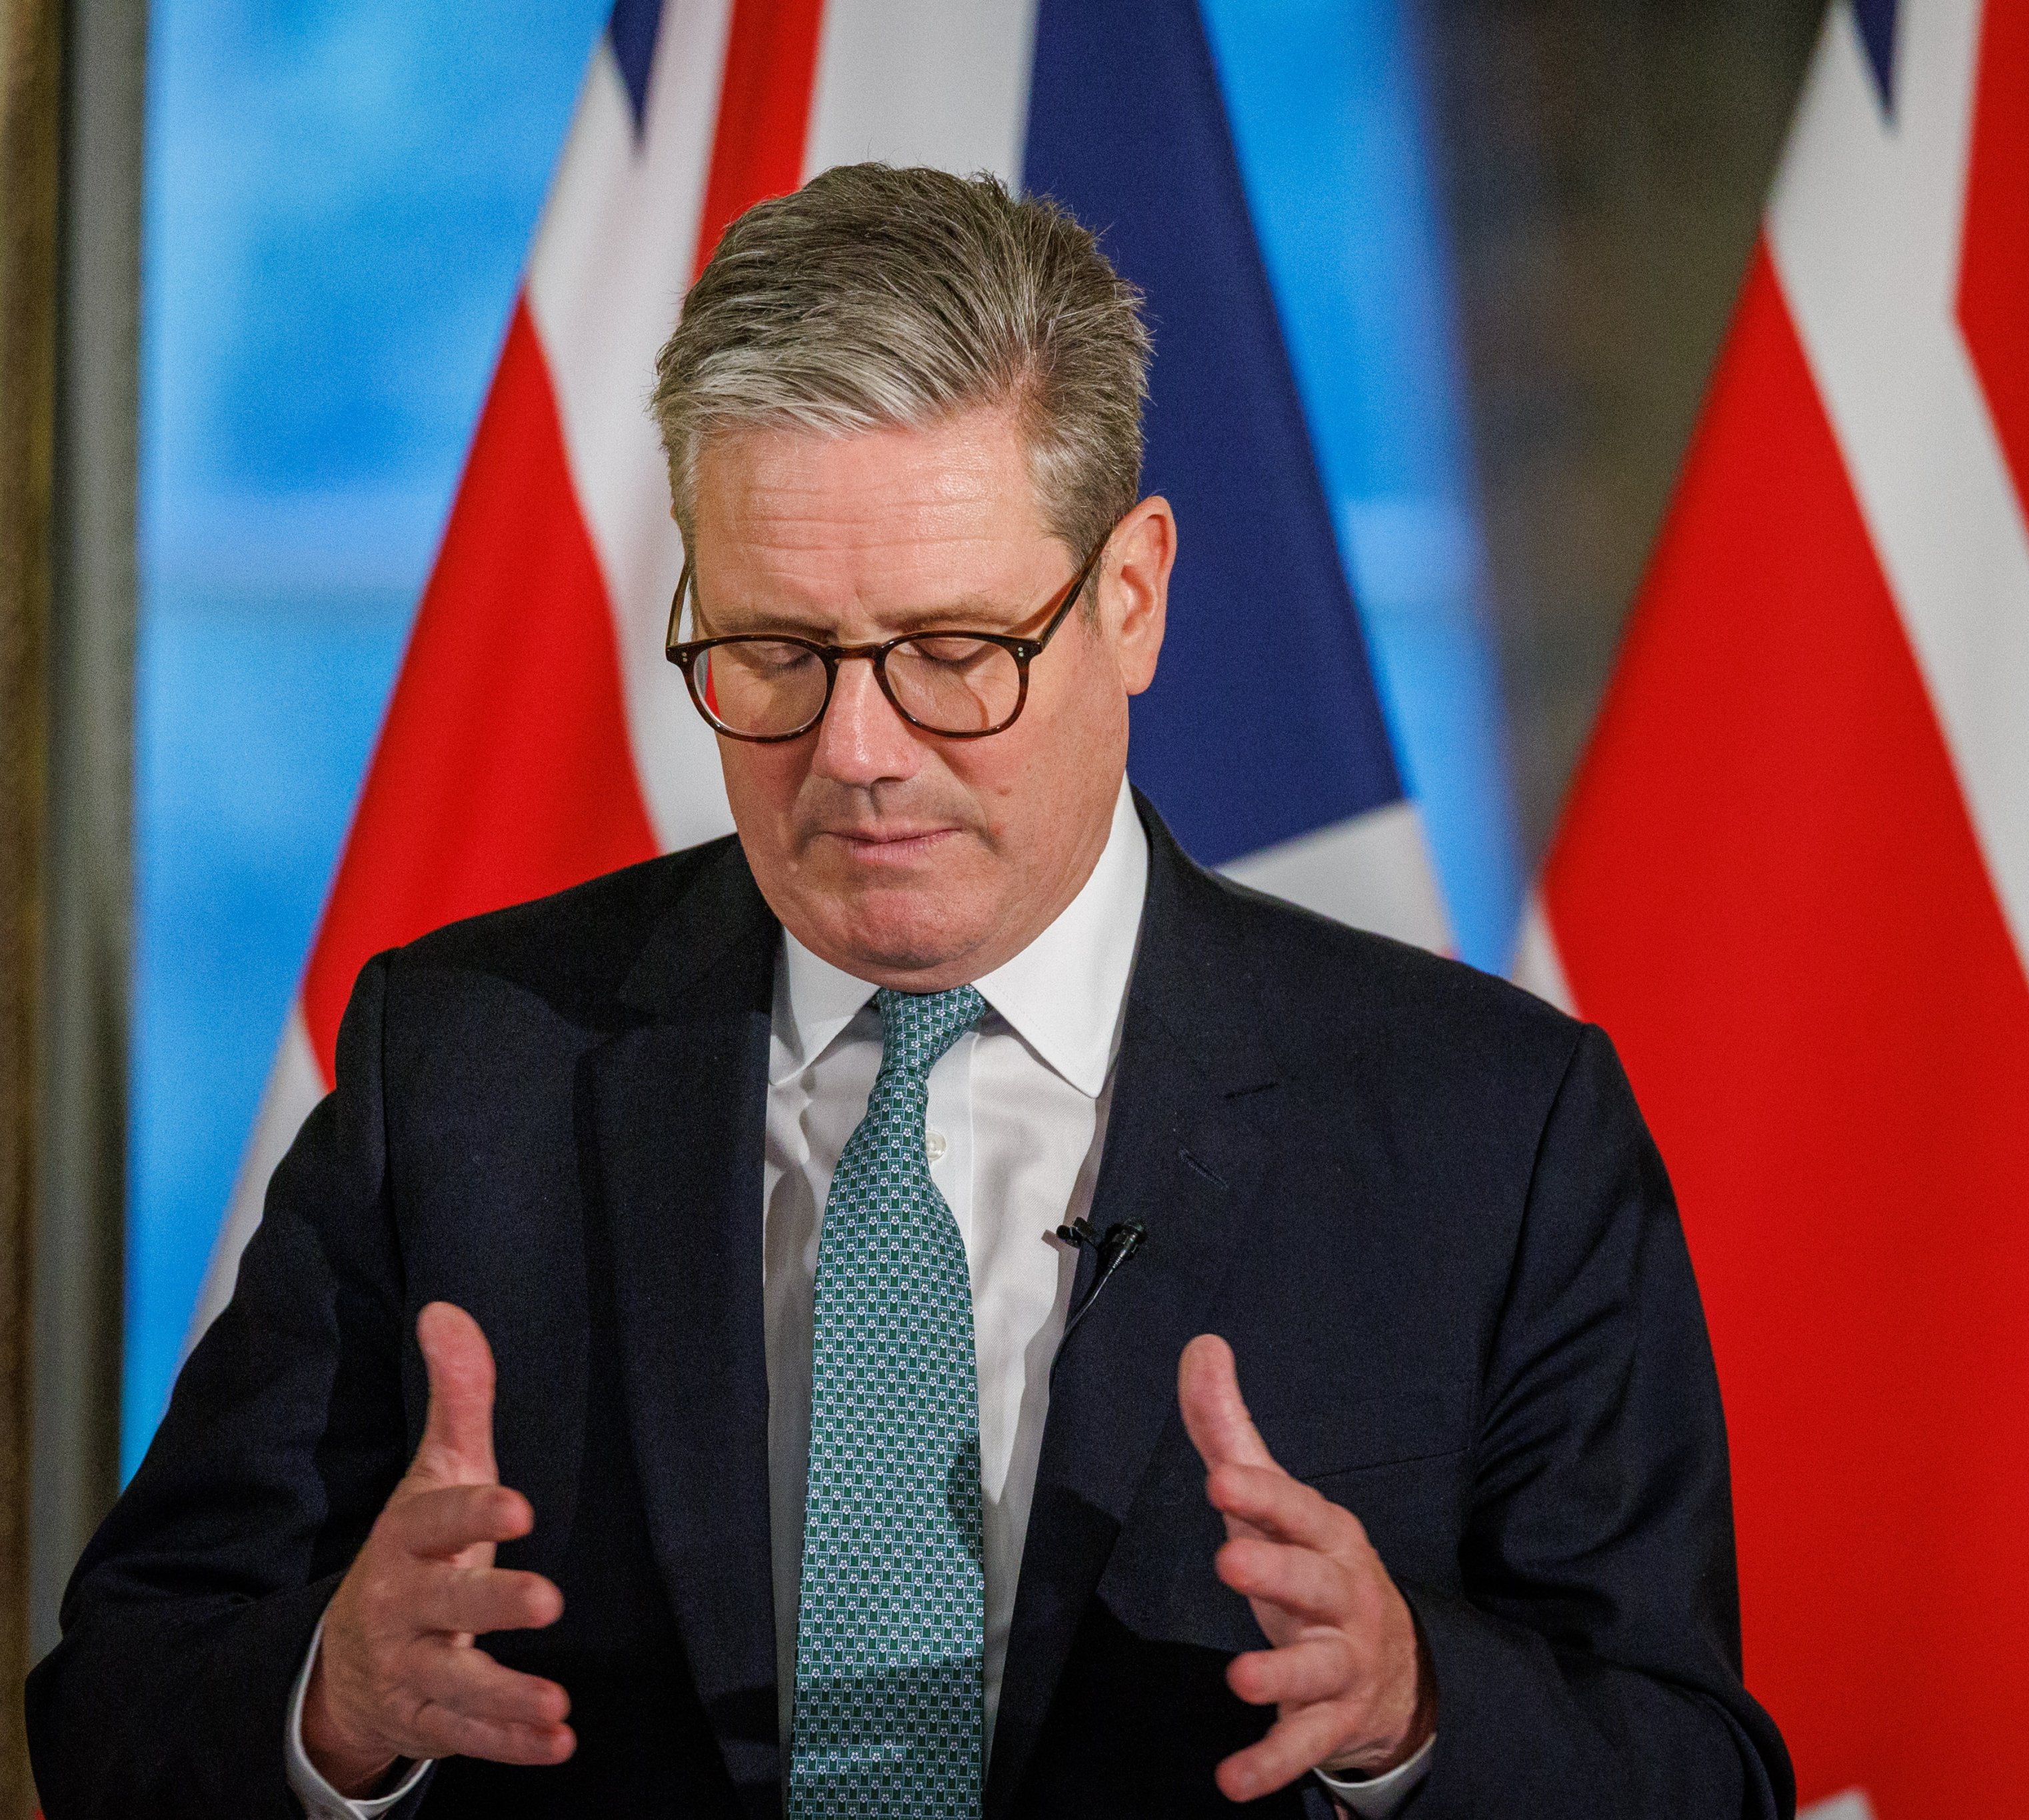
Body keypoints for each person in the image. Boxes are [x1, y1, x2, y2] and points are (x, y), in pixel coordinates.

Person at [27, 165, 1793, 1819]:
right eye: (773, 656)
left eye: (954, 655)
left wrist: (1416, 1709)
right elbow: (116, 1698)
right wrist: (331, 1700)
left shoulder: (1488, 1124)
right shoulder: (471, 1061)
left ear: (1132, 598)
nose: (857, 754)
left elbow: (1698, 1767)